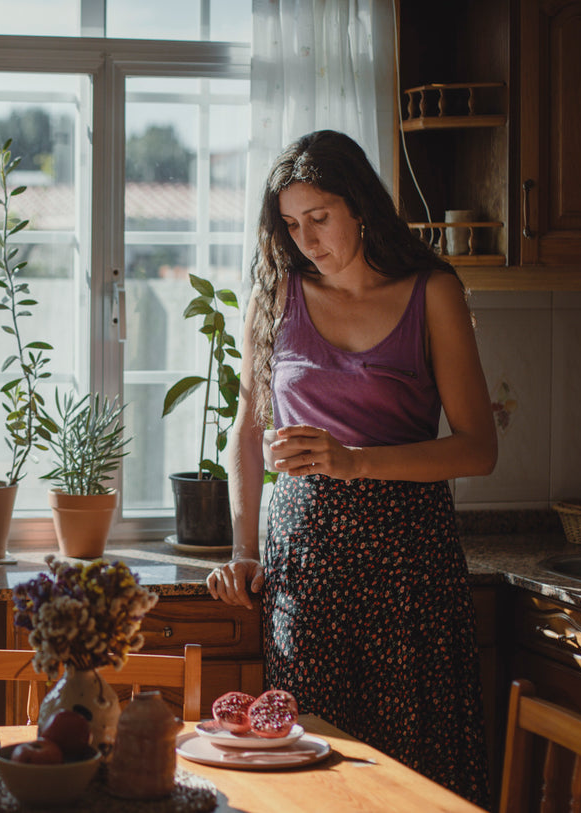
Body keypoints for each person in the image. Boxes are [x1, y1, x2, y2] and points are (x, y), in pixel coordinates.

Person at [205, 130, 497, 806]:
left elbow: (478, 447)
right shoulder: (275, 298)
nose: (304, 239)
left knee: (415, 765)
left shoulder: (433, 293)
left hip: (409, 563)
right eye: (289, 224)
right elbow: (246, 435)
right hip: (306, 567)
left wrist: (354, 461)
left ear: (360, 205)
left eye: (319, 217)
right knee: (311, 764)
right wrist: (242, 550)